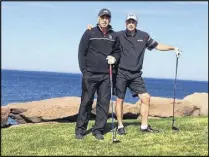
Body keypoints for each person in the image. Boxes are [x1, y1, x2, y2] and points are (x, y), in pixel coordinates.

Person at [87, 13, 182, 135]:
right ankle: (120, 126)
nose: (131, 24)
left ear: (136, 23)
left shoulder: (144, 36)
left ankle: (144, 126)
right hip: (121, 72)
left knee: (146, 98)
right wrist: (92, 29)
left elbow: (157, 46)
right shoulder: (119, 35)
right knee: (120, 99)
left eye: (133, 22)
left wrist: (173, 48)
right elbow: (105, 34)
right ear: (125, 23)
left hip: (136, 75)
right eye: (128, 22)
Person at [75, 8, 121, 140]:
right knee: (86, 101)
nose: (104, 20)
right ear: (98, 19)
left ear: (110, 20)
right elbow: (81, 52)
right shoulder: (90, 32)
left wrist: (115, 58)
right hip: (90, 74)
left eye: (107, 18)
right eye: (102, 17)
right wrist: (84, 71)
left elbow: (117, 51)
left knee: (103, 103)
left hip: (107, 75)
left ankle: (98, 130)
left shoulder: (114, 35)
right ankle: (80, 130)